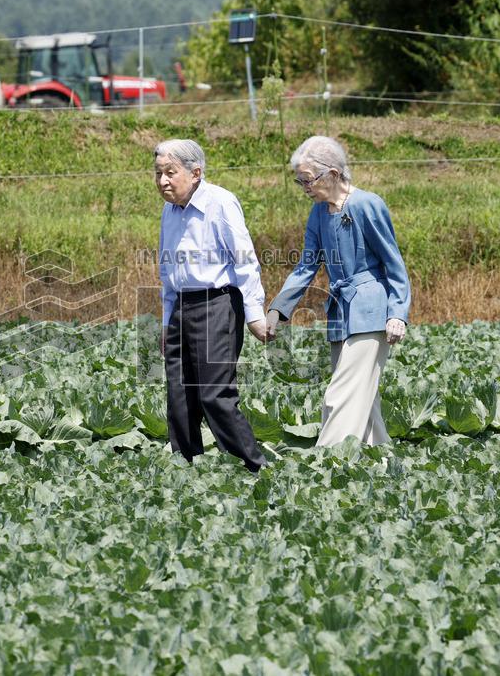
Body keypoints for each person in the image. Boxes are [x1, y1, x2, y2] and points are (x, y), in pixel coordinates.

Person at [267, 136, 410, 447]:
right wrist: (278, 309)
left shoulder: (367, 204)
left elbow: (393, 264)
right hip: (340, 312)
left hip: (371, 309)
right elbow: (307, 265)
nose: (304, 187)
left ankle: (327, 463)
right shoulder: (318, 213)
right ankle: (383, 459)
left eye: (308, 179)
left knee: (341, 392)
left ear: (332, 174)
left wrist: (397, 313)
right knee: (363, 398)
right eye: (299, 181)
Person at [156, 138, 270, 472]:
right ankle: (186, 466)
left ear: (195, 173)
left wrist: (254, 314)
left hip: (217, 304)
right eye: (158, 173)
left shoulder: (221, 202)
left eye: (170, 172)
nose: (162, 181)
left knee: (213, 394)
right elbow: (168, 270)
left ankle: (252, 468)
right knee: (179, 396)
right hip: (180, 305)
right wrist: (167, 322)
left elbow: (245, 261)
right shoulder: (169, 209)